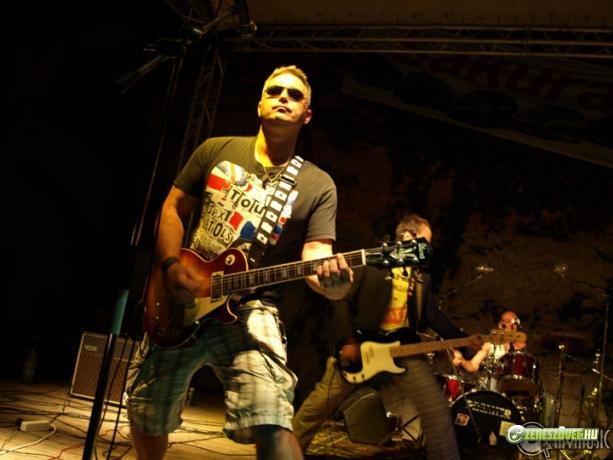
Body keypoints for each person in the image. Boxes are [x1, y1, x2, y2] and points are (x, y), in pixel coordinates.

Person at [125, 65, 354, 460]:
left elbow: (316, 255)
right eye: (275, 91)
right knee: (147, 410)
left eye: (295, 95)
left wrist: (334, 284)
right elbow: (172, 208)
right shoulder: (216, 150)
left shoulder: (318, 185)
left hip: (252, 308)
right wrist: (171, 267)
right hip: (183, 298)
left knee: (272, 413)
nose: (283, 98)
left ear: (307, 115)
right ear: (260, 103)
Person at [292, 213, 476, 460]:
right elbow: (341, 300)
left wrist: (467, 343)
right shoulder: (373, 261)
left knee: (436, 408)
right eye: (425, 241)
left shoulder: (422, 278)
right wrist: (347, 340)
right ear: (409, 236)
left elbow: (434, 316)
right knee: (315, 409)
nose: (428, 249)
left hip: (403, 350)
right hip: (361, 345)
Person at [453, 310, 526, 374]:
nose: (511, 325)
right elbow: (473, 366)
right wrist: (462, 361)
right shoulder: (490, 345)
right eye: (507, 321)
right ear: (500, 324)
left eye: (515, 322)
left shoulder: (523, 348)